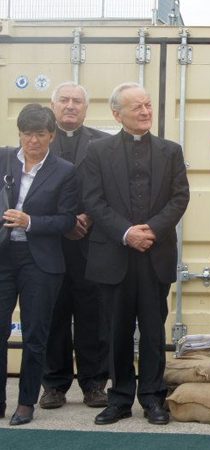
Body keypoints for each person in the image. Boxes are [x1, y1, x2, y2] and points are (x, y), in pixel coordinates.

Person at [83, 82, 190, 426]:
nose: (145, 112)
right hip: (114, 254)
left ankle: (153, 397)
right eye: (137, 108)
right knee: (115, 330)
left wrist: (152, 230)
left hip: (155, 254)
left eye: (147, 105)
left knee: (154, 331)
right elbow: (93, 200)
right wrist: (127, 233)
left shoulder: (171, 151)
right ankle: (119, 398)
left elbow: (179, 197)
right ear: (117, 114)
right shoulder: (97, 152)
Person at [0, 104, 78, 425]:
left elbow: (67, 220)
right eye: (27, 134)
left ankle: (27, 403)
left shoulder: (64, 170)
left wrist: (30, 221)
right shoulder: (4, 158)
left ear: (52, 136)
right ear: (19, 134)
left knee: (35, 335)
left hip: (40, 261)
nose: (33, 141)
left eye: (40, 135)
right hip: (4, 257)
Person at [39, 82, 110, 410]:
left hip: (91, 245)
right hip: (50, 245)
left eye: (76, 101)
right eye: (64, 100)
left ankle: (95, 383)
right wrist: (65, 221)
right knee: (53, 315)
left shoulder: (104, 144)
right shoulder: (37, 143)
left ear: (86, 107)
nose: (70, 106)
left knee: (91, 316)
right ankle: (53, 384)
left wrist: (88, 218)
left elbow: (112, 191)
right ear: (52, 106)